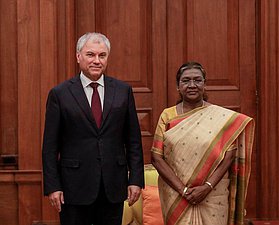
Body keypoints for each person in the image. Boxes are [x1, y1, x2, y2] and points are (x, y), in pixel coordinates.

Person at [42, 32, 144, 225]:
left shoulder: (123, 91)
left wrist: (136, 180)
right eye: (90, 55)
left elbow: (133, 141)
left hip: (113, 185)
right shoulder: (60, 94)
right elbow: (50, 146)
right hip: (73, 187)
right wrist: (53, 186)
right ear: (78, 56)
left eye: (102, 55)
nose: (97, 60)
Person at [151, 62, 255, 225]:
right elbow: (156, 157)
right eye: (186, 81)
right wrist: (183, 190)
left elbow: (229, 155)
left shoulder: (221, 119)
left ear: (204, 84)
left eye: (197, 80)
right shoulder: (168, 116)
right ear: (178, 86)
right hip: (176, 195)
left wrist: (207, 187)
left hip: (213, 194)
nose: (192, 85)